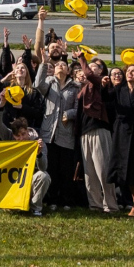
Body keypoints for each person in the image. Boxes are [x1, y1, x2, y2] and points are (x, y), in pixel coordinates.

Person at [34, 40, 80, 209]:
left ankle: (65, 200)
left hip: (66, 133)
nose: (60, 66)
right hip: (49, 133)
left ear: (68, 70)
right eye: (58, 64)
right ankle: (52, 200)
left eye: (63, 64)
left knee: (66, 170)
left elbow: (78, 108)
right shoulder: (49, 83)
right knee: (51, 168)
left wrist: (70, 114)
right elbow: (37, 85)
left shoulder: (75, 87)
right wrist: (44, 63)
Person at [103, 62, 134, 217]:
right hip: (120, 132)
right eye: (128, 71)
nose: (130, 73)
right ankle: (131, 199)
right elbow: (105, 98)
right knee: (121, 167)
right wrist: (104, 86)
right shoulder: (119, 89)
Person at [75, 50, 120, 213]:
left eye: (96, 66)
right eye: (90, 66)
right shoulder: (84, 88)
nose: (91, 68)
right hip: (85, 132)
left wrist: (81, 57)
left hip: (99, 130)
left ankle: (111, 205)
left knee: (103, 170)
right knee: (89, 173)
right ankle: (95, 204)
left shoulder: (100, 82)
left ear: (101, 71)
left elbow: (88, 73)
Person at [0, 112, 51, 216]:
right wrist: (1, 106)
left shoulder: (38, 143)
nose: (21, 138)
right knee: (10, 210)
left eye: (23, 134)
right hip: (12, 182)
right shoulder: (9, 136)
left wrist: (39, 154)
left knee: (44, 176)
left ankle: (35, 208)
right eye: (17, 136)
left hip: (29, 182)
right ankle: (17, 205)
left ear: (28, 131)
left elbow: (43, 167)